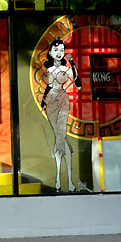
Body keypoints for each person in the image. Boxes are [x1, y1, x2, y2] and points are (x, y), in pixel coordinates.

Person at [40, 38, 85, 192]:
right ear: (50, 52)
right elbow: (47, 87)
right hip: (50, 101)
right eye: (56, 50)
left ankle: (62, 181)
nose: (59, 53)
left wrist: (73, 66)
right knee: (61, 138)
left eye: (62, 50)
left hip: (63, 100)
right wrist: (43, 102)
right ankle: (64, 180)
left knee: (61, 135)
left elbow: (78, 85)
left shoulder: (66, 70)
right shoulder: (48, 69)